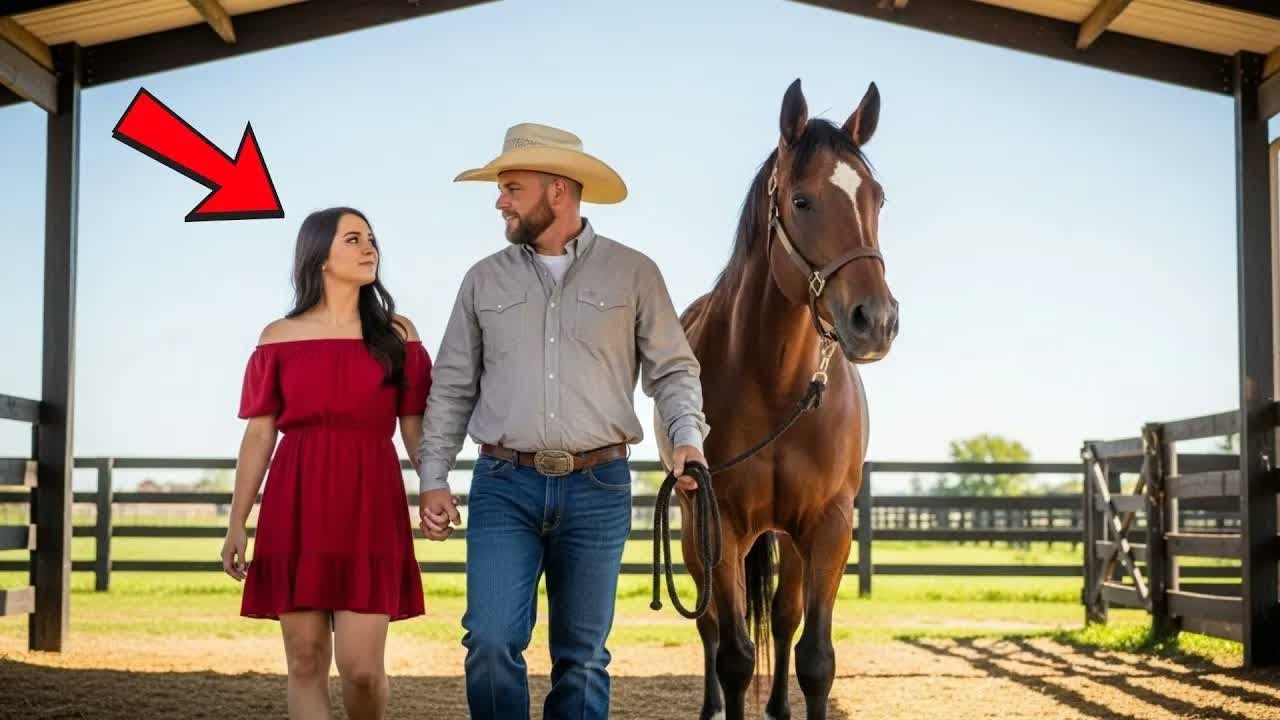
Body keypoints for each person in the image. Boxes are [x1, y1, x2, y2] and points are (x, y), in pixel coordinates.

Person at [415, 122, 709, 719]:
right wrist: (433, 476)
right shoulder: (482, 279)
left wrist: (687, 439)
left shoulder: (635, 273)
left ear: (557, 190)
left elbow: (674, 371)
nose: (500, 200)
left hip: (599, 488)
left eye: (511, 187)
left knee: (582, 657)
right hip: (504, 484)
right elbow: (450, 385)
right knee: (491, 641)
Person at [220, 207, 432, 720]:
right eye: (353, 239)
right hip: (295, 499)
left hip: (371, 501)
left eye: (371, 239)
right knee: (306, 660)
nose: (369, 249)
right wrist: (236, 522)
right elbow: (259, 434)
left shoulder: (398, 335)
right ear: (319, 257)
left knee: (361, 668)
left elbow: (414, 426)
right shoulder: (278, 336)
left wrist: (434, 488)